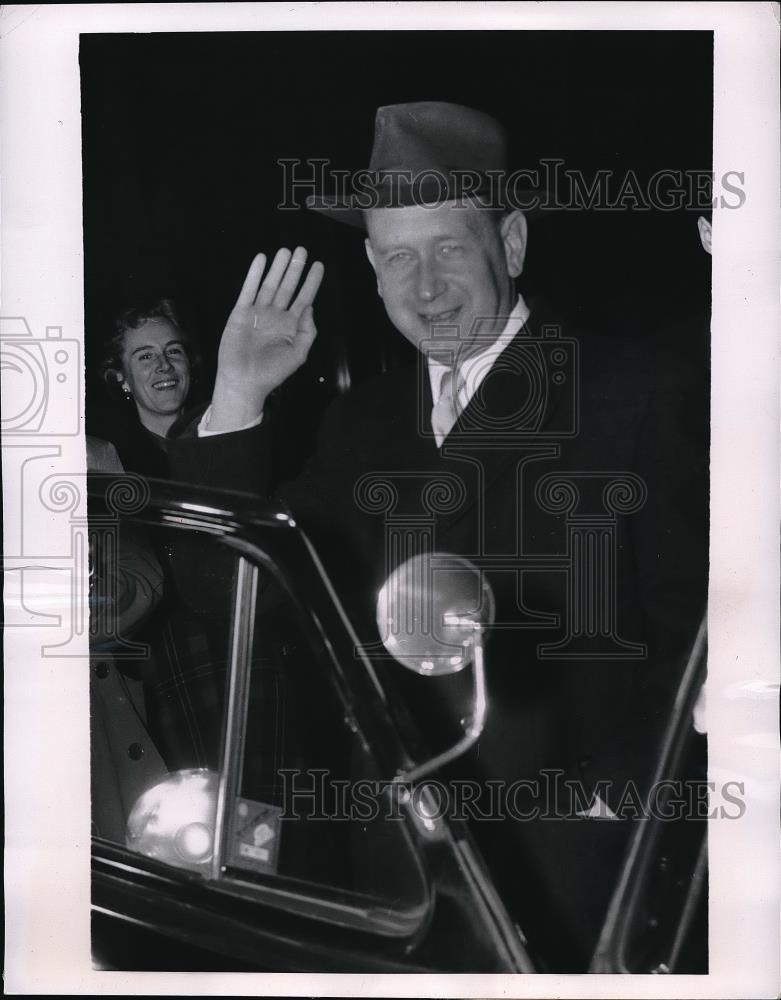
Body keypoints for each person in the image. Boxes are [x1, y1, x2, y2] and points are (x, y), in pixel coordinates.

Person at [168, 103, 709, 970]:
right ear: (372, 270)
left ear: (514, 244)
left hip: (573, 886)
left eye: (450, 247)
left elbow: (699, 636)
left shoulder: (638, 393)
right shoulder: (360, 422)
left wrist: (618, 807)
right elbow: (231, 601)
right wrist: (239, 399)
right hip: (397, 882)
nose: (425, 288)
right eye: (397, 257)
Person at [99, 299, 202, 477]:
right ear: (121, 377)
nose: (164, 365)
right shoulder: (112, 462)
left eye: (173, 351)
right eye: (146, 356)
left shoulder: (221, 438)